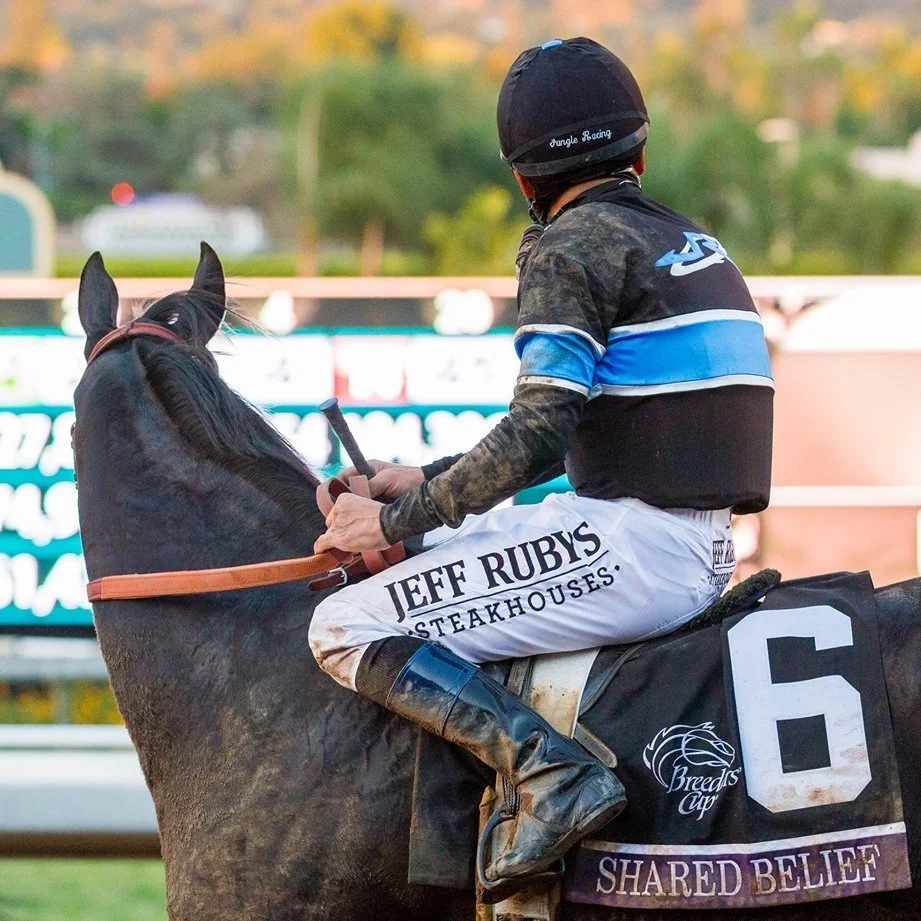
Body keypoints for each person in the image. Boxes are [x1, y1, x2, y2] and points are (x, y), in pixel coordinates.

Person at [308, 37, 773, 894]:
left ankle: (550, 773)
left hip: (636, 551)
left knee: (342, 627)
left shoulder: (567, 247)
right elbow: (584, 429)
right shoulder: (688, 242)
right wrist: (428, 480)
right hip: (687, 542)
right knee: (441, 542)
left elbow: (537, 437)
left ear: (524, 181)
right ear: (638, 150)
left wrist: (390, 520)